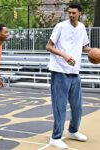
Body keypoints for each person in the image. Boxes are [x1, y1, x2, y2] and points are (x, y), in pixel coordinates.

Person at [46, 3, 92, 149]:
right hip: (59, 70)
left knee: (77, 106)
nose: (71, 15)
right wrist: (64, 55)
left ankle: (73, 131)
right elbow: (49, 46)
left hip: (74, 72)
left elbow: (84, 47)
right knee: (60, 106)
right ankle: (55, 137)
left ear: (80, 13)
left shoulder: (82, 27)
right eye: (69, 12)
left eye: (74, 13)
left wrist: (95, 51)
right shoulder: (60, 26)